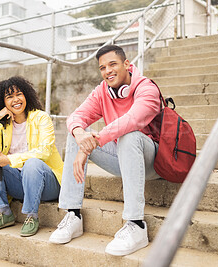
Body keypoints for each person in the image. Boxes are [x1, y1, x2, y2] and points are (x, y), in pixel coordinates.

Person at [49, 45, 161, 256]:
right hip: (122, 159)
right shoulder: (102, 91)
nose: (107, 71)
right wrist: (82, 137)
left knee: (128, 134)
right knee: (77, 135)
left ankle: (136, 225)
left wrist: (94, 142)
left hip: (152, 161)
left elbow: (132, 120)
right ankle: (73, 215)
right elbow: (76, 116)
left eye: (112, 64)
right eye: (102, 68)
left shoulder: (147, 88)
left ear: (127, 65)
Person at [0, 76, 63, 237]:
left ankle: (31, 216)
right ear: (2, 102)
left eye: (19, 94)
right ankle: (4, 213)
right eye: (9, 97)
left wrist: (11, 159)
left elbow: (44, 151)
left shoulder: (41, 118)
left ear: (26, 95)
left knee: (32, 163)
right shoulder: (2, 124)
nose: (15, 100)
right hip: (20, 184)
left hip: (48, 184)